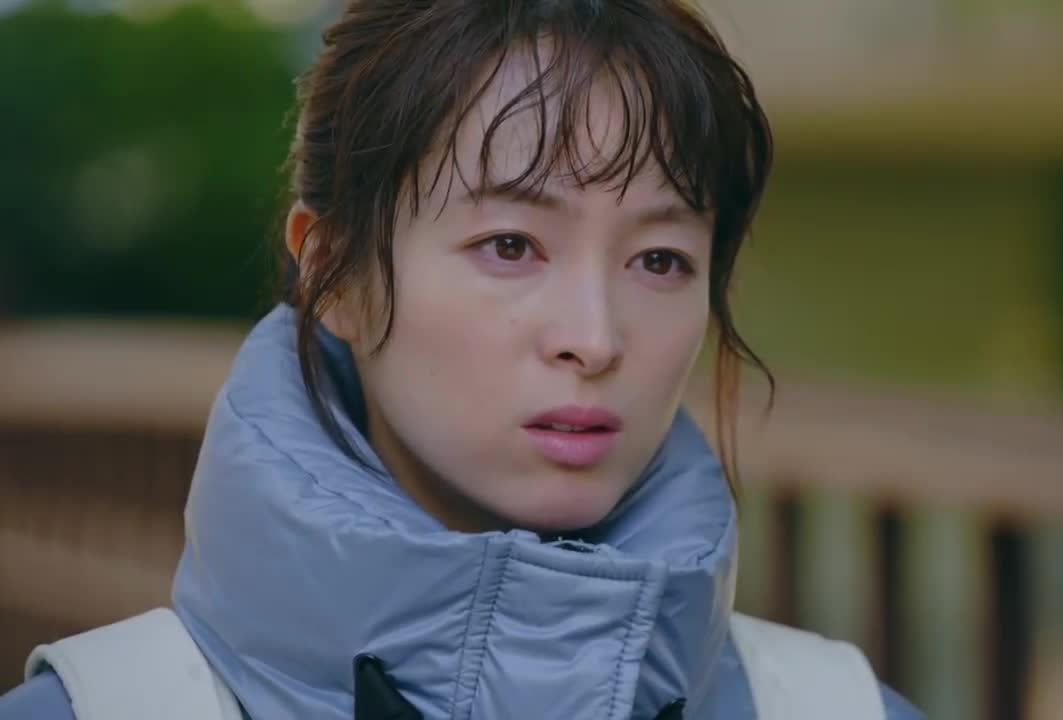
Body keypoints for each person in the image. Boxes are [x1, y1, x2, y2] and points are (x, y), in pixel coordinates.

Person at [0, 1, 922, 717]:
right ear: (335, 276)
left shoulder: (838, 708)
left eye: (658, 260)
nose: (595, 338)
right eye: (511, 246)